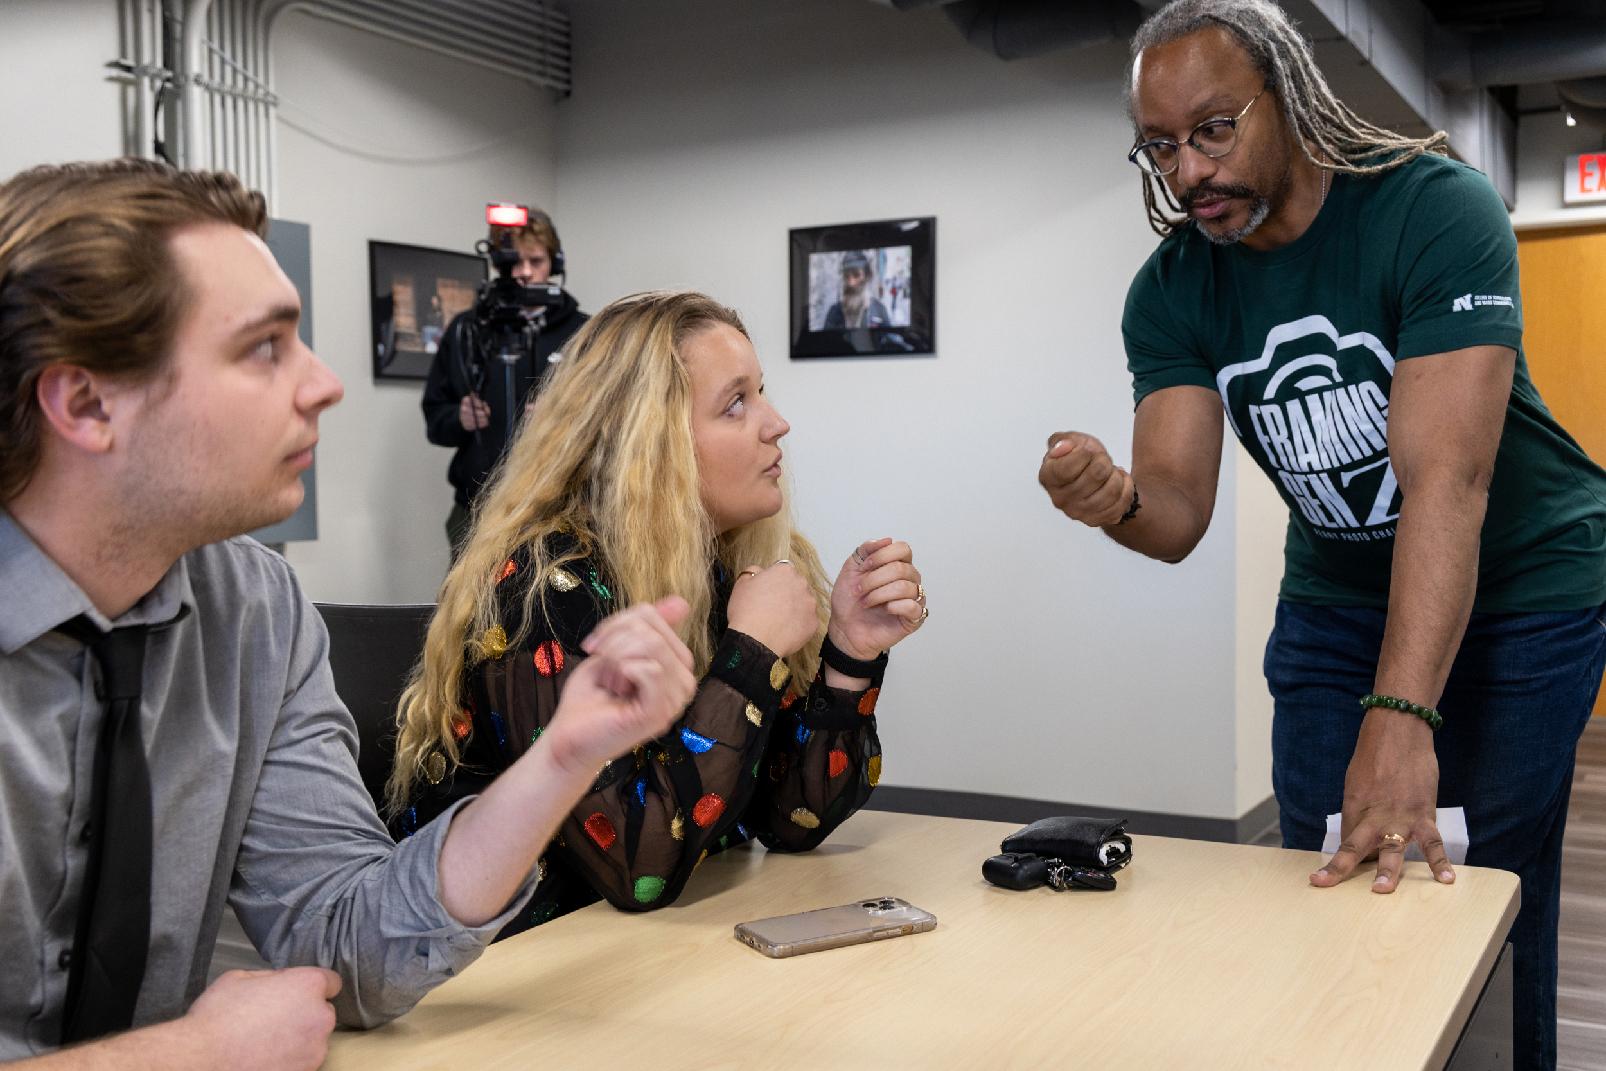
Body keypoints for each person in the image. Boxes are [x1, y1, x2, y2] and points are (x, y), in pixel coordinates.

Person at [0, 159, 696, 1068]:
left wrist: (562, 755)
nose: (325, 383)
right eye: (263, 348)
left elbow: (343, 939)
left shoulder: (254, 608)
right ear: (87, 403)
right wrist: (188, 1055)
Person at [1035, 3, 1606, 1067]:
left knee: (1481, 895)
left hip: (1525, 587)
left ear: (1287, 99)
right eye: (1158, 147)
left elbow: (1449, 481)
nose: (1188, 172)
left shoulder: (1431, 210)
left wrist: (1399, 717)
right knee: (1324, 878)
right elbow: (1175, 517)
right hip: (1338, 601)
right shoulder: (1171, 293)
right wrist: (1110, 497)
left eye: (1213, 129)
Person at [389, 290, 927, 936]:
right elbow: (635, 863)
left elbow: (788, 815)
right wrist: (750, 653)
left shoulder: (713, 569)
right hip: (503, 980)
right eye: (737, 403)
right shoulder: (543, 585)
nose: (776, 422)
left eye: (762, 392)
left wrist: (850, 652)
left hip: (626, 958)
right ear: (654, 441)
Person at [420, 209, 588, 557]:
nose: (525, 272)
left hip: (559, 511)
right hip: (476, 509)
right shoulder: (467, 331)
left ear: (554, 264)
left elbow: (612, 422)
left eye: (536, 260)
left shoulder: (586, 334)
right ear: (498, 264)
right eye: (514, 261)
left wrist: (563, 416)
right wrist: (459, 418)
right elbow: (436, 422)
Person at [823, 250, 891, 330]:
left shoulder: (879, 310)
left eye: (856, 275)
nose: (850, 283)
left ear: (867, 276)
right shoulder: (835, 312)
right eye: (846, 276)